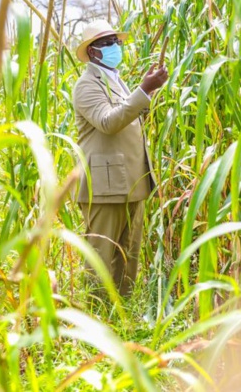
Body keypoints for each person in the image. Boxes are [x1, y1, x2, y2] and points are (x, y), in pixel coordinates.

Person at [72, 19, 168, 298]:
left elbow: (131, 115)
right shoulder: (86, 85)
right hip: (104, 184)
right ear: (92, 52)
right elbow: (107, 122)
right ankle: (95, 317)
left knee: (129, 256)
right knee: (101, 258)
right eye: (106, 43)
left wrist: (144, 92)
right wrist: (143, 91)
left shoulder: (116, 78)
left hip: (133, 180)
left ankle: (122, 313)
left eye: (116, 41)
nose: (115, 47)